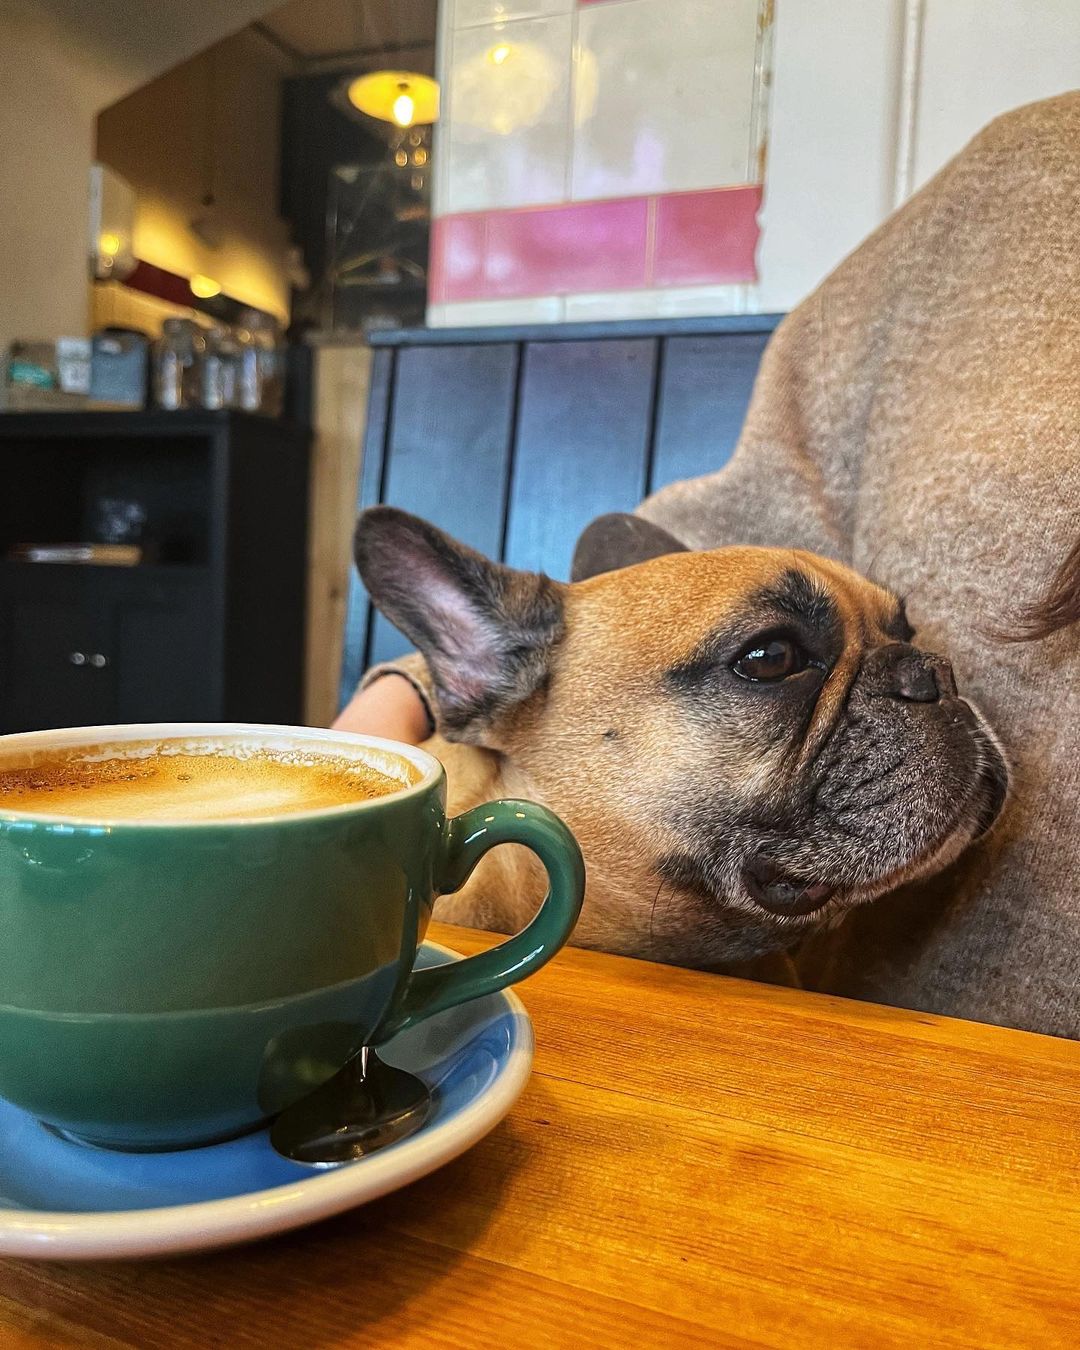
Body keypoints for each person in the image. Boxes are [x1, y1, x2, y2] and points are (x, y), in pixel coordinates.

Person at [336, 94, 1080, 1039]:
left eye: (901, 652)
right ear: (492, 679)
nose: (925, 681)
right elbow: (701, 556)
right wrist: (405, 694)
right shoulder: (1026, 180)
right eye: (772, 659)